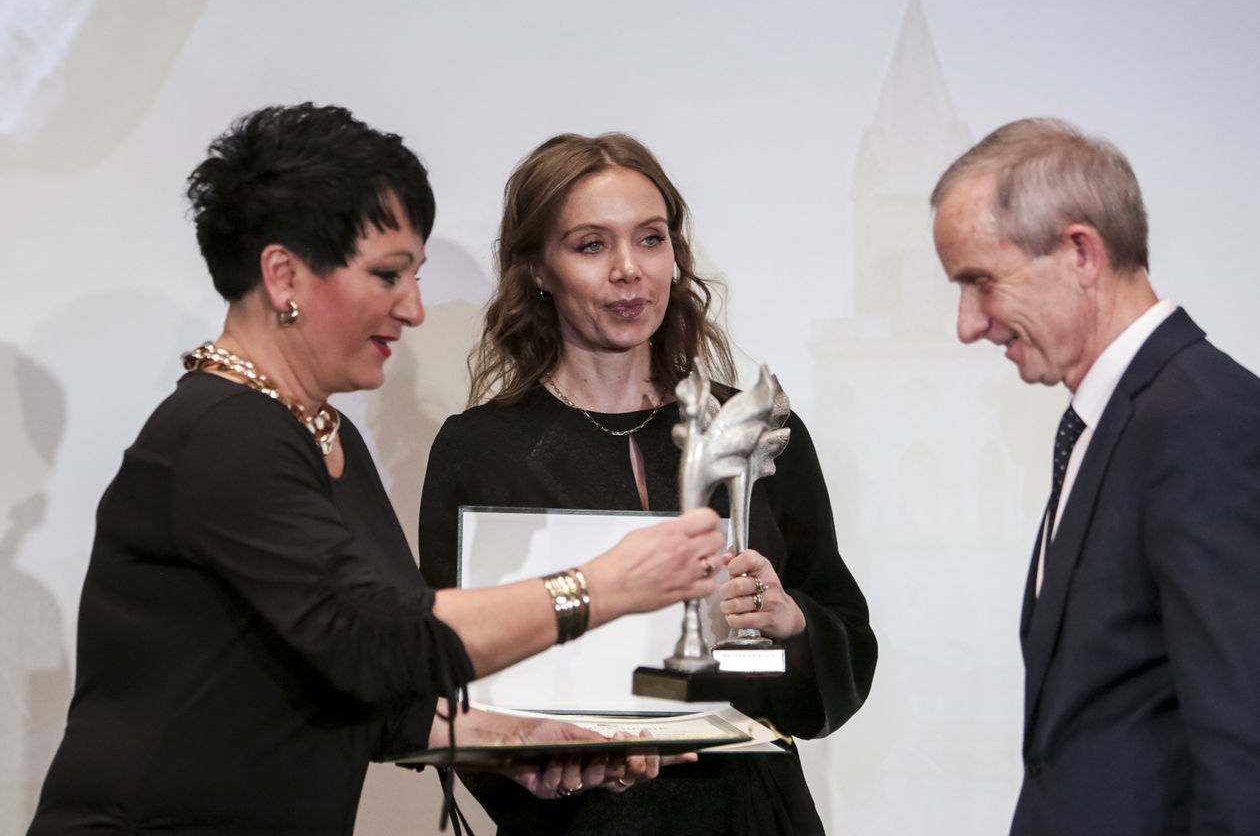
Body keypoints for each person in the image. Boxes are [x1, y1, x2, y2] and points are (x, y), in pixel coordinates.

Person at [26, 104, 728, 836]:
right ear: (283, 275)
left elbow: (379, 692)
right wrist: (603, 587)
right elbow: (374, 639)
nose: (415, 309)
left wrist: (522, 742)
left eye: (414, 275)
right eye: (388, 275)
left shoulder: (325, 436)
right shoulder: (223, 433)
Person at [418, 133, 877, 835]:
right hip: (580, 826)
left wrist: (791, 622)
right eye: (591, 245)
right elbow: (450, 671)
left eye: (651, 239)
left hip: (753, 816)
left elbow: (842, 665)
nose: (629, 270)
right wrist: (528, 764)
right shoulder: (480, 450)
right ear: (538, 267)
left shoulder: (754, 430)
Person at [930, 117, 1260, 835]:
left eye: (981, 282)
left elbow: (1244, 752)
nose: (967, 324)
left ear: (1081, 252)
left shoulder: (1204, 423)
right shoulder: (1110, 420)